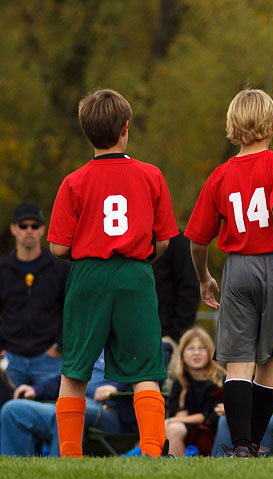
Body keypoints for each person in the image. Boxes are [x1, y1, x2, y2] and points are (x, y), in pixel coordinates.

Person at [47, 88, 179, 458]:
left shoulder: (74, 181)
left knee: (74, 370)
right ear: (126, 128)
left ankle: (70, 455)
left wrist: (89, 248)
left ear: (86, 133)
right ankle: (153, 452)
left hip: (88, 275)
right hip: (135, 275)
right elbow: (166, 240)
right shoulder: (150, 175)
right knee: (145, 370)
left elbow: (57, 247)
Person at [186, 88, 273, 458]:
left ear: (232, 125)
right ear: (272, 123)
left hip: (236, 270)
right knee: (269, 358)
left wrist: (204, 276)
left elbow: (197, 240)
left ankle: (239, 447)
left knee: (239, 360)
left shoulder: (219, 175)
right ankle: (255, 442)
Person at [0, 353, 137, 456]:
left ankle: (57, 471)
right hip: (76, 401)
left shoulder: (137, 341)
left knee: (70, 412)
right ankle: (22, 476)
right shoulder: (92, 342)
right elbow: (67, 378)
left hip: (111, 411)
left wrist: (115, 388)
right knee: (13, 410)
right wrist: (35, 390)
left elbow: (147, 376)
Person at [0, 202, 70, 387]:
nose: (29, 230)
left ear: (42, 230)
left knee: (52, 411)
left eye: (35, 226)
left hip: (49, 358)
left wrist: (58, 346)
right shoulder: (3, 269)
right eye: (23, 226)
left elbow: (71, 310)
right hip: (11, 358)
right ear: (14, 229)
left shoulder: (60, 268)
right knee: (9, 411)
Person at [164, 327, 224, 456]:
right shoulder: (180, 381)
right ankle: (173, 467)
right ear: (182, 355)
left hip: (213, 431)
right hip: (190, 428)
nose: (196, 353)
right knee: (173, 428)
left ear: (210, 352)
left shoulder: (220, 379)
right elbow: (180, 414)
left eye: (202, 348)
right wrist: (173, 422)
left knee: (172, 426)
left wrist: (170, 421)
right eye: (191, 348)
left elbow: (208, 418)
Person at [153, 231, 200, 345]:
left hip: (167, 336)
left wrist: (177, 334)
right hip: (134, 334)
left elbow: (190, 289)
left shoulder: (177, 241)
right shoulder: (130, 238)